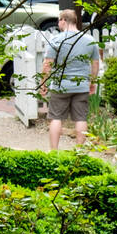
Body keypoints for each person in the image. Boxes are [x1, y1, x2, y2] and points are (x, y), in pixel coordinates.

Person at [41, 8, 100, 150]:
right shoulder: (89, 40)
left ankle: (54, 152)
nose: (58, 25)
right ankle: (78, 153)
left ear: (63, 20)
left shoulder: (56, 40)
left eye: (59, 21)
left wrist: (43, 83)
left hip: (60, 86)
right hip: (81, 86)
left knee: (56, 118)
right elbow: (95, 64)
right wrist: (92, 82)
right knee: (81, 118)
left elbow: (47, 64)